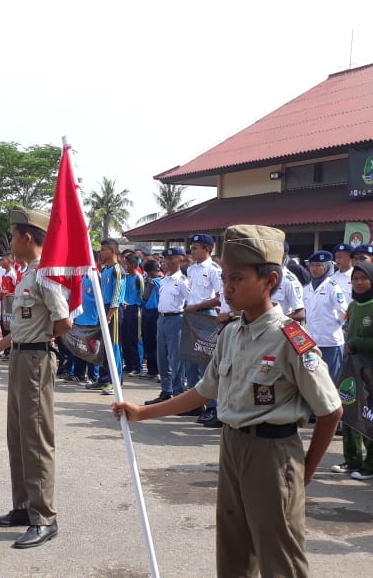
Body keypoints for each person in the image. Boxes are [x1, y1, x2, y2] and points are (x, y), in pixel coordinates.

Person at [112, 224, 342, 578]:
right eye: (225, 279)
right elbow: (206, 390)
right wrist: (143, 412)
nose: (227, 288)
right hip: (233, 446)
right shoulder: (232, 332)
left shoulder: (291, 338)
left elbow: (330, 410)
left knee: (280, 558)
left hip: (273, 453)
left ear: (270, 280)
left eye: (237, 278)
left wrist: (305, 472)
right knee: (233, 551)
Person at [0, 207, 71, 549]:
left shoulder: (45, 276)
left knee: (35, 439)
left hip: (35, 361)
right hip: (19, 355)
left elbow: (64, 323)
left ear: (27, 237)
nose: (10, 240)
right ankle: (23, 507)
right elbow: (23, 326)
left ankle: (44, 516)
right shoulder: (27, 274)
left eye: (12, 234)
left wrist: (41, 341)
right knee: (17, 436)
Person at [339, 261, 373, 481]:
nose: (359, 283)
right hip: (352, 365)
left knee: (371, 415)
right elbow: (346, 330)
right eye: (355, 279)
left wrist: (357, 342)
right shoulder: (353, 306)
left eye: (364, 278)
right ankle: (352, 459)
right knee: (349, 409)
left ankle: (372, 465)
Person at [184, 233, 223, 424]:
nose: (192, 251)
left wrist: (197, 306)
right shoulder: (191, 269)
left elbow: (221, 296)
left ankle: (213, 407)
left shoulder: (214, 269)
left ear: (207, 249)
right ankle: (194, 404)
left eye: (195, 248)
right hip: (191, 316)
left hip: (206, 316)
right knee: (190, 362)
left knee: (207, 364)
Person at [146, 246, 188, 406]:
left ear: (181, 260)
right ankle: (166, 390)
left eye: (171, 259)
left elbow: (191, 300)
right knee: (162, 358)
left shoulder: (183, 281)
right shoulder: (163, 279)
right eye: (165, 259)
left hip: (176, 319)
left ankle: (178, 393)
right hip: (161, 319)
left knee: (176, 359)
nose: (167, 262)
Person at [303, 251, 348, 382]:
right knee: (314, 380)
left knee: (331, 380)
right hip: (312, 343)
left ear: (327, 266)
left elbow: (344, 312)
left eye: (318, 265)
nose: (314, 269)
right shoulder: (307, 288)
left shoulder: (333, 287)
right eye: (312, 265)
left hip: (330, 342)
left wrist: (339, 326)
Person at [93, 239, 125, 394]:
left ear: (112, 251)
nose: (101, 252)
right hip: (103, 308)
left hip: (113, 311)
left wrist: (109, 315)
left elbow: (117, 295)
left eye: (104, 249)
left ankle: (116, 382)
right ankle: (103, 380)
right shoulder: (105, 269)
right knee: (103, 347)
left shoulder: (118, 270)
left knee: (114, 346)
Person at [121, 253, 146, 378]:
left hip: (135, 310)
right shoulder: (125, 277)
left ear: (132, 264)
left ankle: (138, 366)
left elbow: (142, 296)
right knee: (125, 338)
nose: (124, 266)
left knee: (134, 338)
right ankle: (129, 364)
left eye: (126, 264)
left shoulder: (138, 277)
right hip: (124, 308)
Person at [140, 259, 163, 380]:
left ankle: (158, 369)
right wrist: (149, 286)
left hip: (157, 312)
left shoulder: (163, 281)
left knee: (156, 342)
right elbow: (144, 297)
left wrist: (155, 285)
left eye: (151, 272)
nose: (150, 275)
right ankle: (151, 369)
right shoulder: (149, 281)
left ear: (157, 270)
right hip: (147, 312)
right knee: (148, 341)